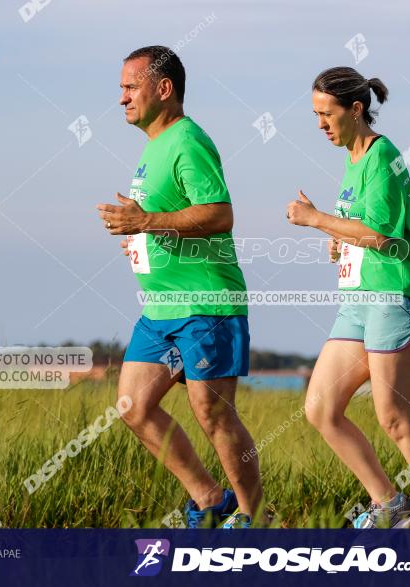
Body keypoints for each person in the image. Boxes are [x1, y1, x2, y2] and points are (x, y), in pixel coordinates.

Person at [286, 66, 410, 528]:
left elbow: (382, 235)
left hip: (394, 297)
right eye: (315, 116)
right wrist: (336, 238)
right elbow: (360, 231)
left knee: (394, 419)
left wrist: (317, 220)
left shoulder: (383, 156)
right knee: (320, 409)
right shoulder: (352, 160)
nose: (321, 125)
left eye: (327, 114)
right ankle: (390, 504)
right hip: (357, 300)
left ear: (356, 109)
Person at [97, 46, 263, 529]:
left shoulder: (188, 140)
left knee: (212, 411)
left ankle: (253, 520)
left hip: (205, 303)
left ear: (163, 88)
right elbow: (163, 221)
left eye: (131, 87)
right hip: (161, 309)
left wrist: (144, 219)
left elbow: (219, 214)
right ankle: (211, 500)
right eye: (122, 88)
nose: (122, 98)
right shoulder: (153, 148)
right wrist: (137, 226)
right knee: (133, 405)